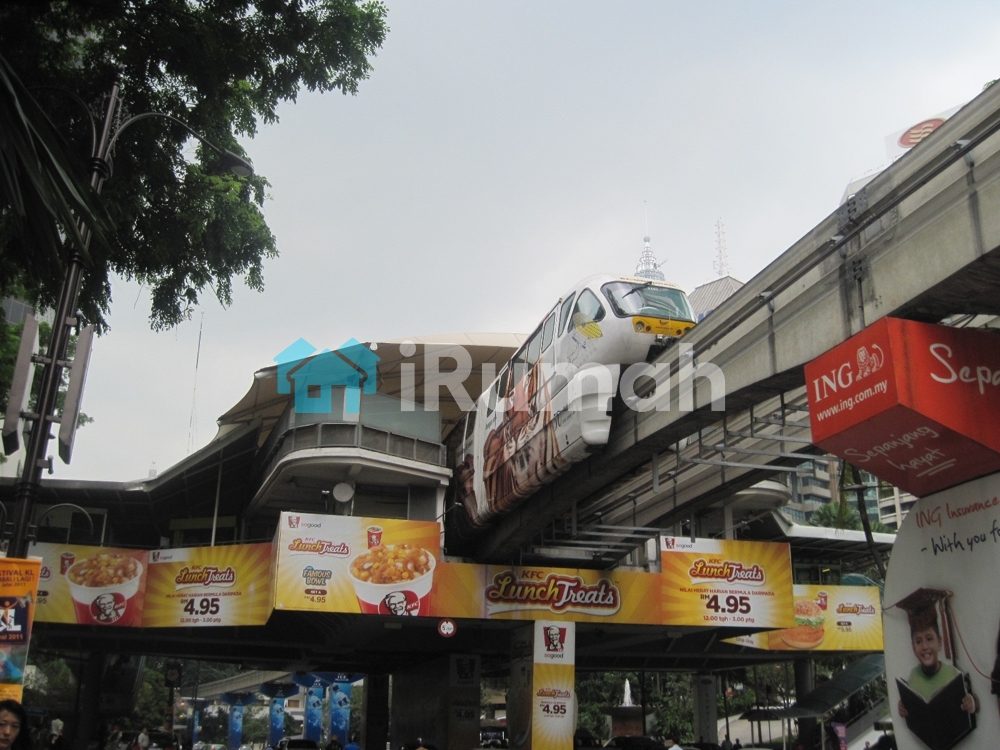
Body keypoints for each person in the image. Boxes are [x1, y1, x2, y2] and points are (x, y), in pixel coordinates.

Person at [897, 603, 976, 717]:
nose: (924, 646)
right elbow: (910, 709)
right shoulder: (913, 677)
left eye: (929, 639)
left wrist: (972, 704)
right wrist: (902, 707)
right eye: (918, 641)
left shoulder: (954, 674)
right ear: (914, 648)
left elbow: (970, 703)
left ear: (939, 643)